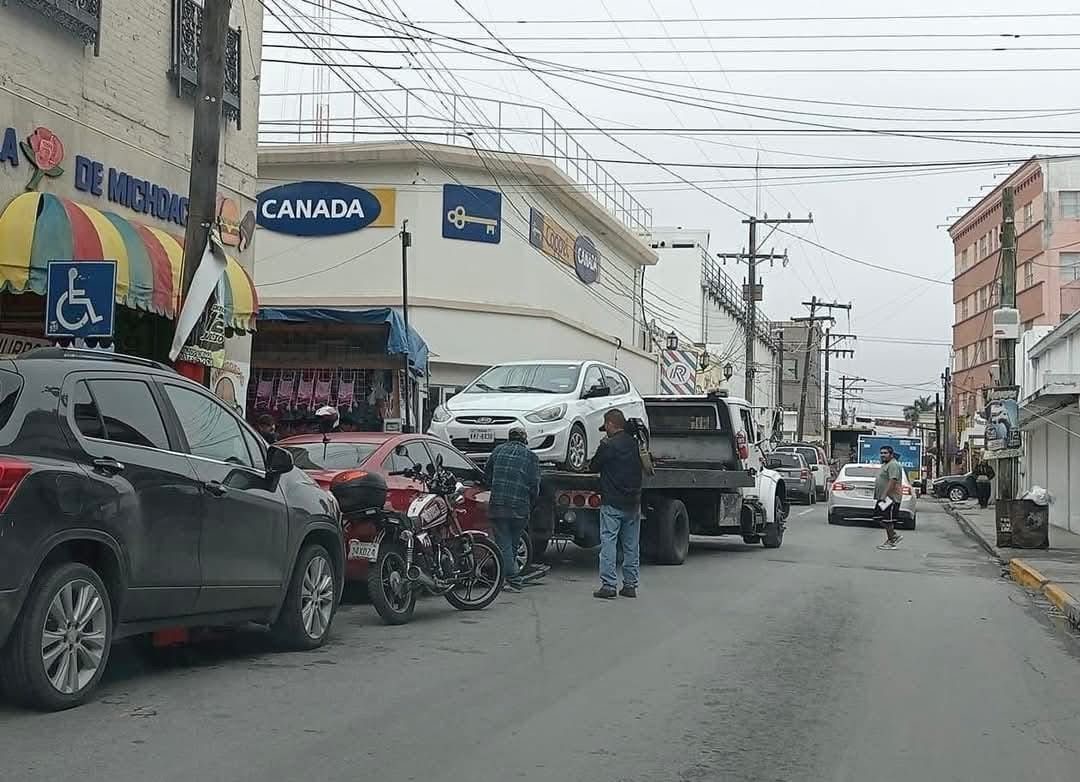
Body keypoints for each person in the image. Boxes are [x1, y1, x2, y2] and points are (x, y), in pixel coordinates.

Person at [590, 409, 643, 599]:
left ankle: (609, 586)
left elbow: (593, 466)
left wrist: (601, 446)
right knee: (631, 546)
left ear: (611, 424)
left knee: (609, 543)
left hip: (612, 502)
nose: (605, 431)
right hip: (633, 502)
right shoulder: (635, 444)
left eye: (606, 427)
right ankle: (630, 585)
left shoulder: (608, 446)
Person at [484, 428, 541, 592]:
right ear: (525, 439)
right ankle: (513, 579)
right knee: (513, 544)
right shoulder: (531, 457)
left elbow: (487, 475)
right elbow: (535, 486)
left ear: (509, 438)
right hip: (520, 507)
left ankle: (509, 579)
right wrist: (531, 502)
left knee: (504, 544)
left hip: (499, 505)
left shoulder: (498, 451)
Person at [874, 445, 905, 550]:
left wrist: (885, 494)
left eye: (885, 453)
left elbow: (893, 480)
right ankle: (893, 536)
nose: (883, 455)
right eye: (881, 453)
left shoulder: (893, 465)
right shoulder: (885, 465)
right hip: (883, 498)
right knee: (878, 517)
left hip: (890, 498)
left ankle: (892, 540)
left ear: (891, 454)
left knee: (888, 519)